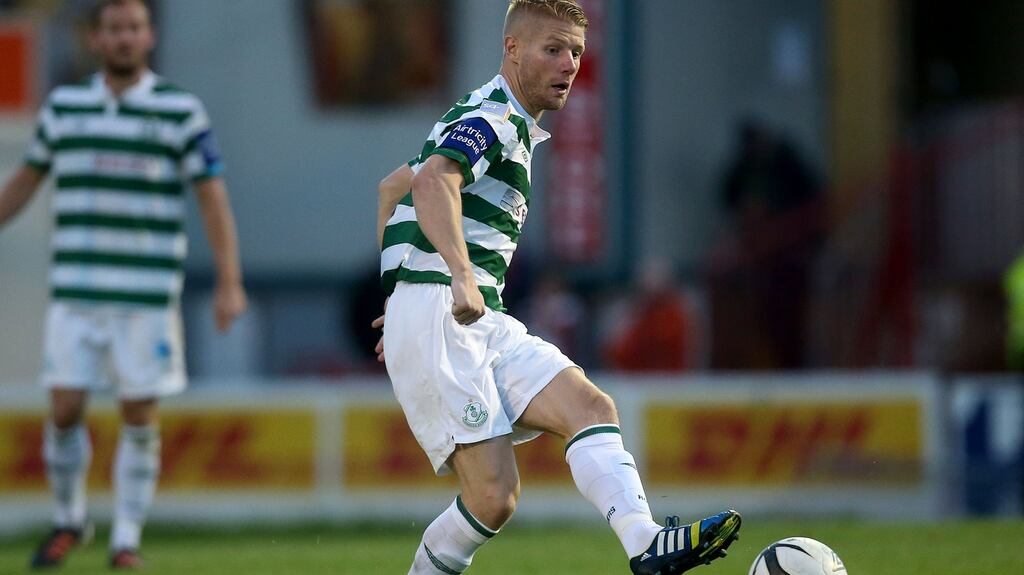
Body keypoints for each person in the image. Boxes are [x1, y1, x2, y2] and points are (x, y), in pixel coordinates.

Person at [373, 2, 740, 573]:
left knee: (590, 406)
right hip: (448, 311)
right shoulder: (492, 116)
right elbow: (431, 182)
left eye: (575, 52)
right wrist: (445, 283)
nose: (568, 64)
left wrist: (397, 295)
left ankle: (645, 545)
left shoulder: (507, 120)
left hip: (471, 316)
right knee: (492, 498)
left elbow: (392, 186)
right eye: (552, 49)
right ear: (512, 50)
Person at [0, 0, 247, 569]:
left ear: (149, 36)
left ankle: (126, 539)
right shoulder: (65, 107)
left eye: (133, 28)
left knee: (139, 413)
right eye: (114, 29)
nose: (124, 38)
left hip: (146, 296)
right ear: (96, 38)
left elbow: (212, 199)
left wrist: (229, 281)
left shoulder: (178, 111)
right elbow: (24, 180)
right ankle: (70, 520)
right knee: (63, 409)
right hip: (76, 291)